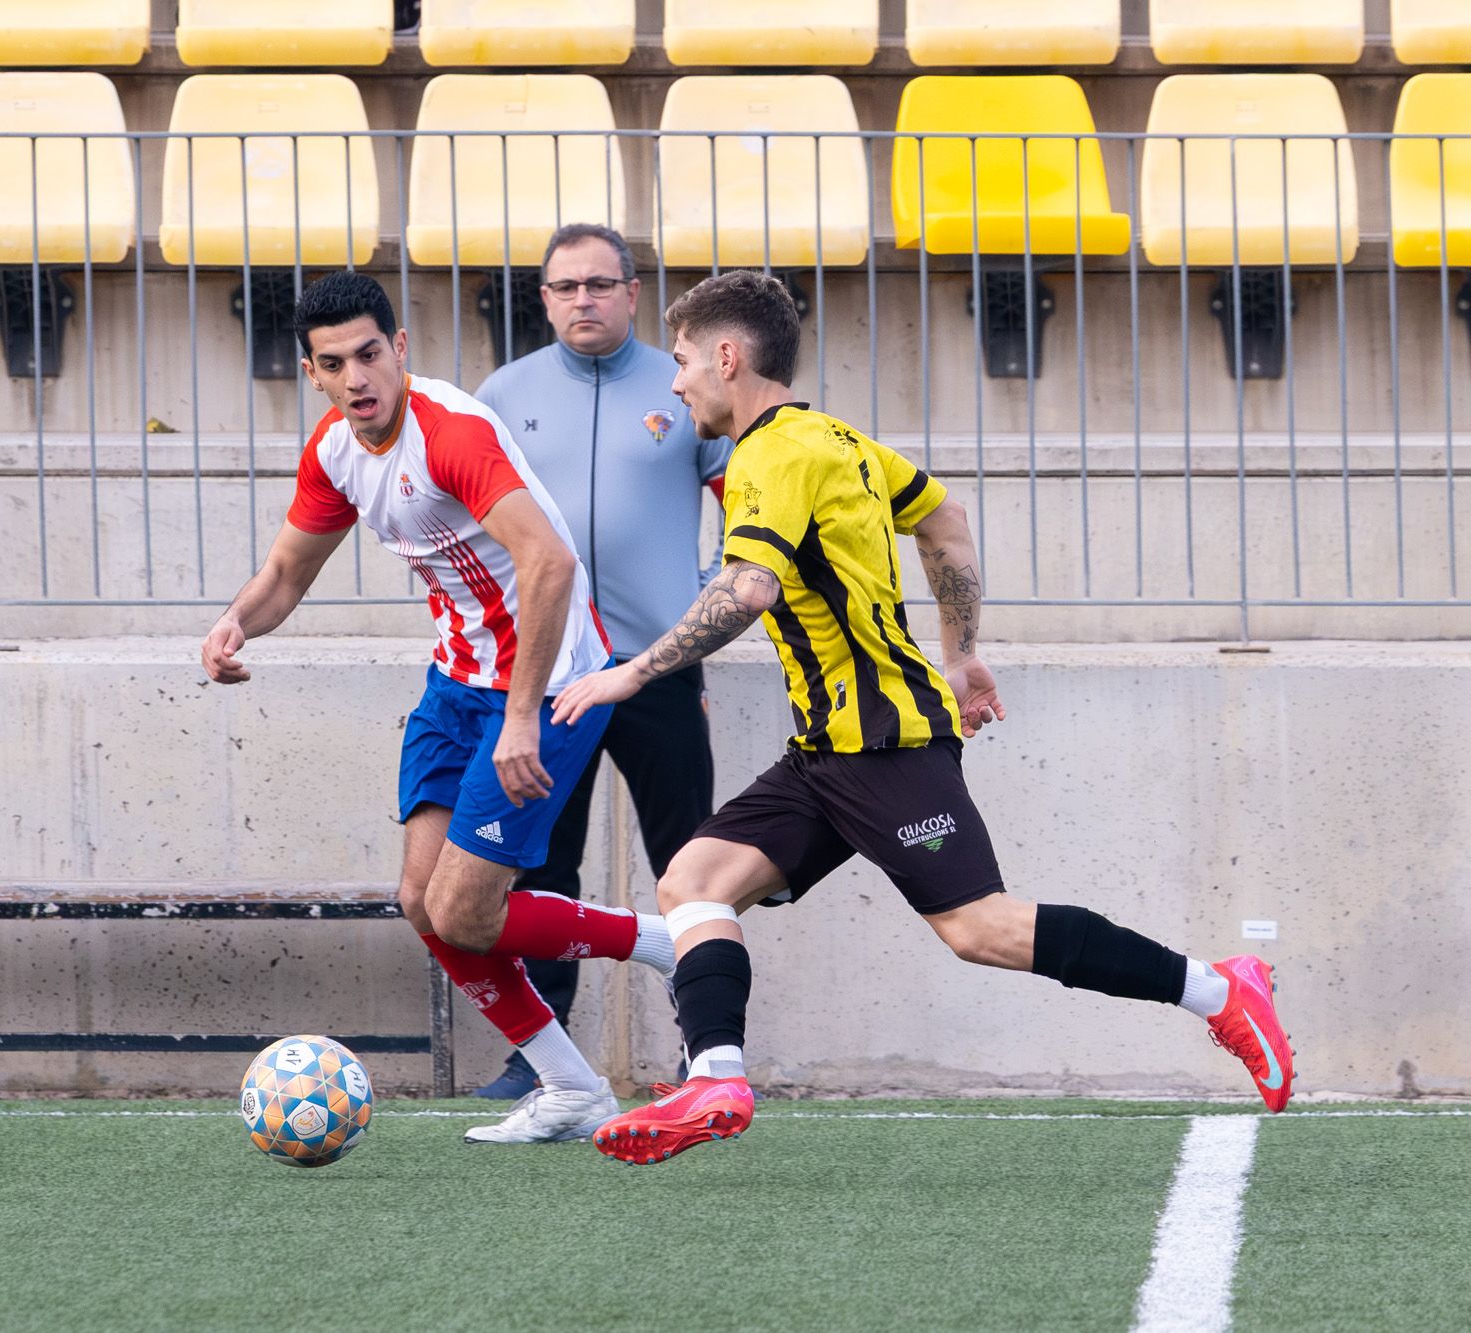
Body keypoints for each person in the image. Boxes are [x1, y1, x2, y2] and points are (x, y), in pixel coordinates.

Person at [550, 271, 1296, 1165]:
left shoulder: (769, 455)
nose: (675, 384)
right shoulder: (844, 443)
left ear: (727, 355)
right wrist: (962, 650)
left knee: (979, 928)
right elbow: (945, 518)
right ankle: (717, 1075)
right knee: (692, 882)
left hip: (885, 743)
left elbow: (748, 587)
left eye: (680, 363)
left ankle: (1222, 990)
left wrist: (633, 671)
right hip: (826, 747)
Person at [200, 271, 678, 1144]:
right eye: (335, 363)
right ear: (312, 372)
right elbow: (285, 576)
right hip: (455, 685)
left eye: (371, 354)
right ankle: (572, 1087)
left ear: (401, 350)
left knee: (465, 910)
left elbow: (550, 565)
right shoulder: (335, 450)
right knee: (423, 903)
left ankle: (660, 942)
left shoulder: (449, 432)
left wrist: (526, 714)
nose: (357, 378)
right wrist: (236, 624)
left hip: (551, 684)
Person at [469, 223, 731, 1100]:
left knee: (692, 862)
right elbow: (472, 523)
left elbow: (744, 501)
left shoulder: (683, 384)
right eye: (565, 287)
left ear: (632, 291)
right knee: (540, 866)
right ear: (542, 299)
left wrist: (703, 594)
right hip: (550, 676)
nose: (583, 299)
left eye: (600, 284)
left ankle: (707, 1049)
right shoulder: (503, 396)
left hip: (656, 669)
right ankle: (543, 1064)